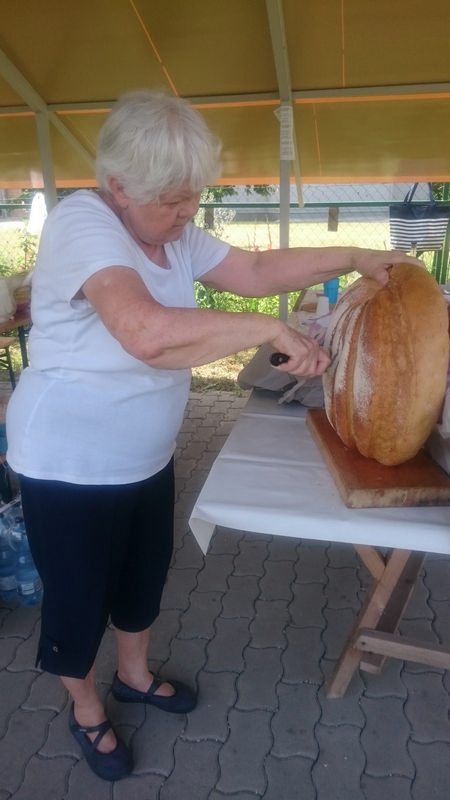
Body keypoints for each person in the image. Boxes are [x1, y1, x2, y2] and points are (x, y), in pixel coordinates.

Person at [5, 88, 422, 781]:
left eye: (194, 196)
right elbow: (144, 332)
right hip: (71, 466)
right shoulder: (84, 223)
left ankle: (134, 675)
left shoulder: (168, 231)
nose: (187, 212)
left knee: (142, 579)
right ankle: (85, 708)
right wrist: (267, 329)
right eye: (173, 200)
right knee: (78, 599)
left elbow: (255, 271)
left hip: (146, 456)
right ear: (118, 187)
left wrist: (354, 254)